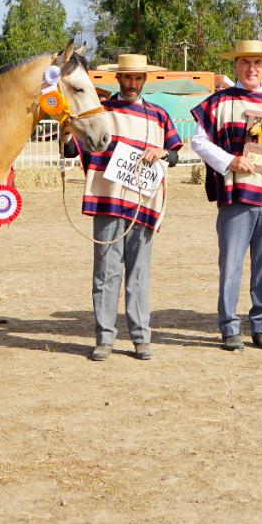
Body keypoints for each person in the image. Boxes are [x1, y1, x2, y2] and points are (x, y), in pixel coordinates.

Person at [190, 40, 262, 352]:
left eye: (258, 63)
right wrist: (229, 161)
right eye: (246, 62)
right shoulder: (219, 101)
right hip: (236, 194)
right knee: (231, 264)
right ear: (236, 65)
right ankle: (229, 327)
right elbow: (198, 141)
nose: (252, 69)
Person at [81, 53, 182, 360]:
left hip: (143, 203)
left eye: (138, 78)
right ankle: (105, 338)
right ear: (118, 78)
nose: (132, 84)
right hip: (108, 201)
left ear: (145, 80)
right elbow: (77, 147)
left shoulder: (159, 115)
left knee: (139, 273)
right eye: (127, 78)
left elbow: (176, 155)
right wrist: (67, 132)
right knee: (106, 272)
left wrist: (162, 152)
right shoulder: (101, 112)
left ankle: (141, 338)